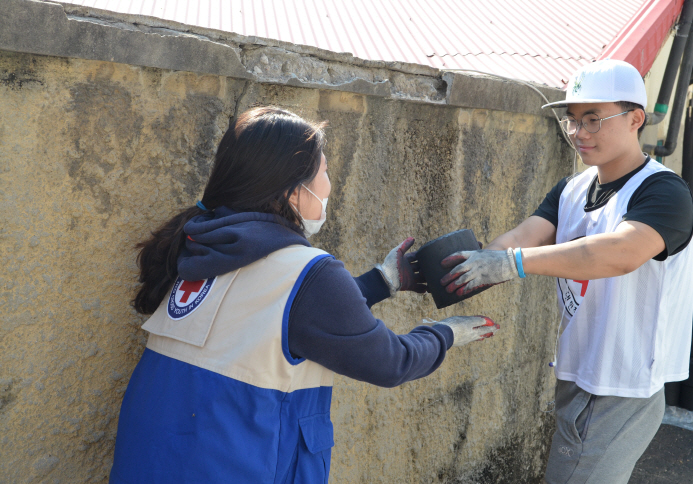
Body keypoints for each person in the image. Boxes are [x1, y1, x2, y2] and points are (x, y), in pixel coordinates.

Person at [109, 106, 498, 483]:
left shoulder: (200, 246)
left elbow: (283, 321)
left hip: (152, 463)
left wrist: (382, 281)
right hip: (238, 465)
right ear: (294, 192)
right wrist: (446, 334)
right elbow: (389, 362)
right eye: (326, 172)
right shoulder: (308, 271)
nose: (330, 185)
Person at [440, 60, 693, 483]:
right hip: (579, 373)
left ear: (635, 119)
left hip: (620, 383)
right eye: (572, 120)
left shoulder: (663, 190)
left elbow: (619, 253)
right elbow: (522, 237)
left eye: (593, 118)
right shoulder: (573, 188)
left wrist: (512, 264)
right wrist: (463, 271)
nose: (579, 132)